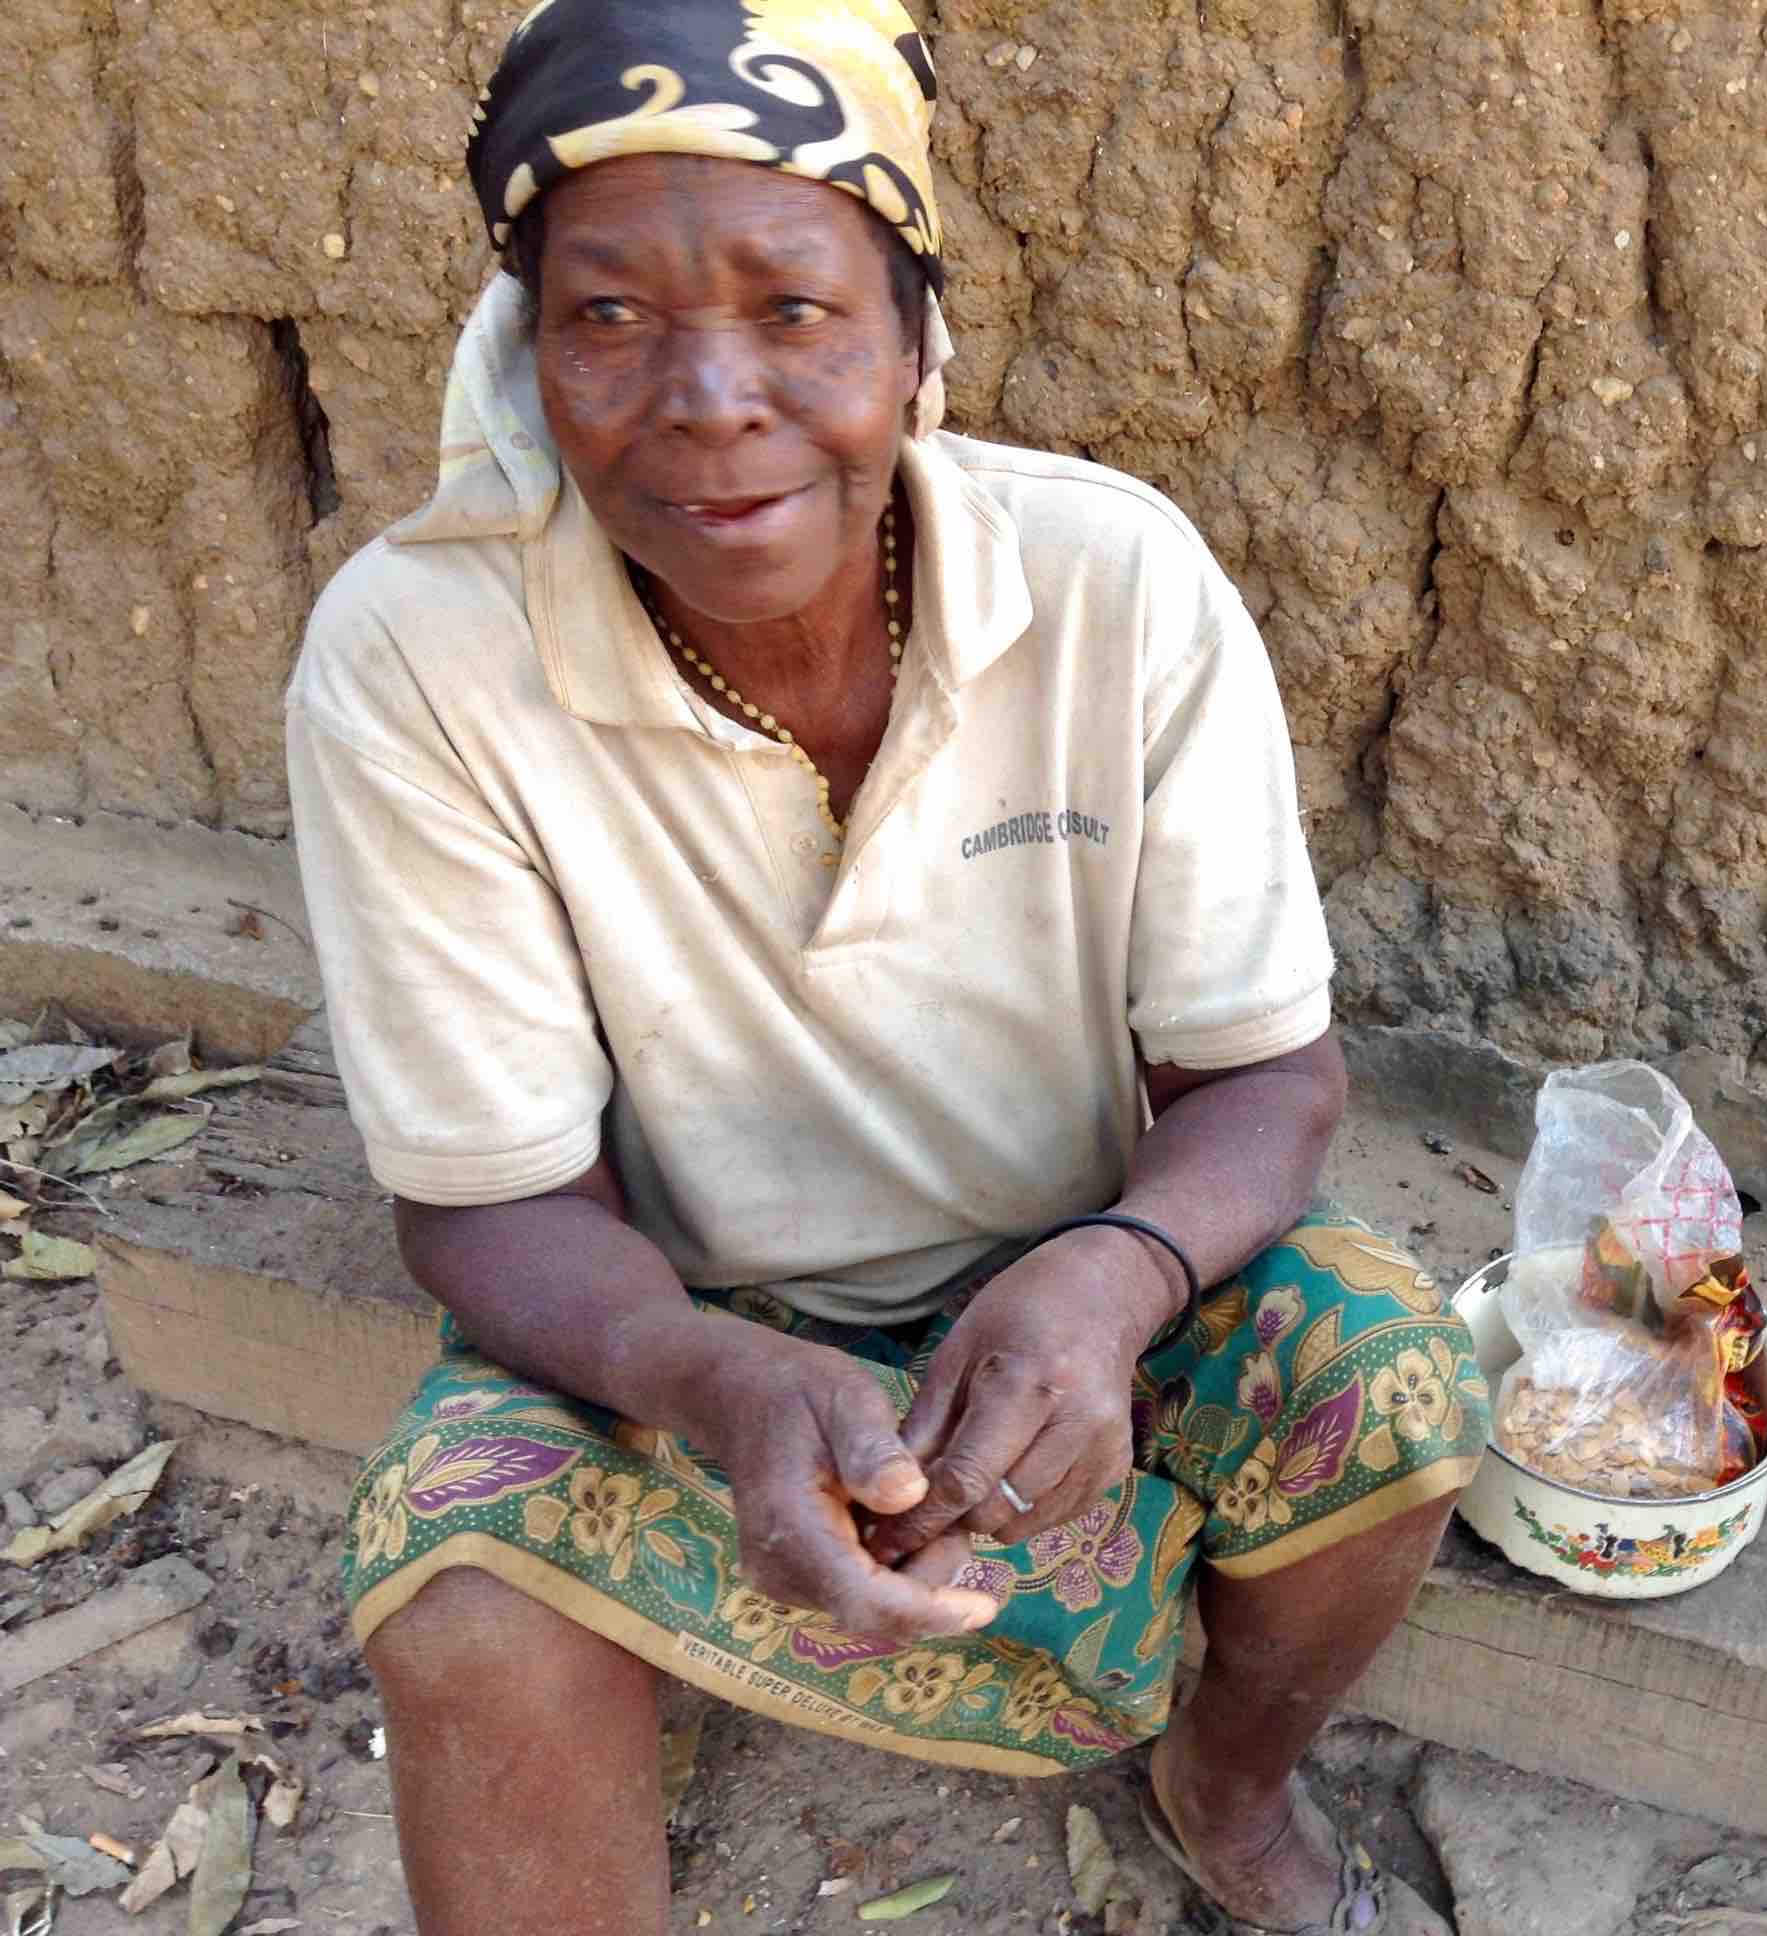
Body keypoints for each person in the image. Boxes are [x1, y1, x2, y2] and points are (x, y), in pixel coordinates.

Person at [283, 4, 1488, 1931]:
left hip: (1087, 1276)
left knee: (1398, 1393)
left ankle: (1222, 1785)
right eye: (606, 318)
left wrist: (1113, 1276)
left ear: (917, 341)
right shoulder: (419, 660)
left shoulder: (1116, 585)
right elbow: (494, 1211)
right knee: (466, 1604)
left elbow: (1268, 1085)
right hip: (686, 1314)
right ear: (527, 357)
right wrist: (719, 1379)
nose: (703, 395)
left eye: (793, 308)